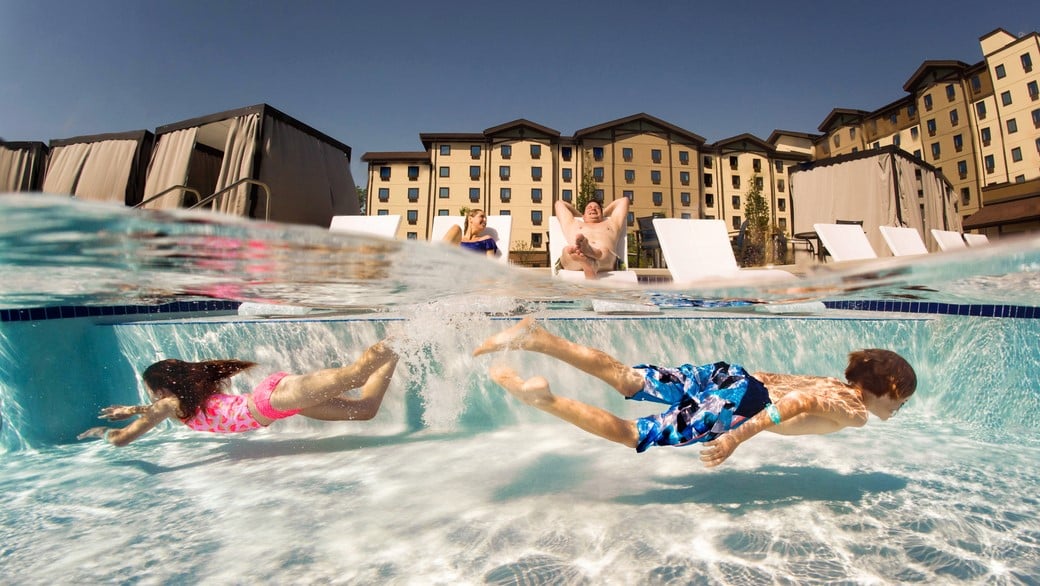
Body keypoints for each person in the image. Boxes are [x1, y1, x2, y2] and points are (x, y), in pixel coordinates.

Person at [473, 317, 916, 467]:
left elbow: (778, 382)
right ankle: (543, 400)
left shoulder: (831, 382)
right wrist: (734, 437)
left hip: (730, 376)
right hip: (741, 403)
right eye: (901, 400)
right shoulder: (852, 409)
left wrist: (726, 393)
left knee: (627, 378)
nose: (898, 409)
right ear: (890, 388)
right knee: (633, 433)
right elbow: (793, 404)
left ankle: (537, 338)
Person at [78, 340, 399, 446]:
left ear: (163, 388)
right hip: (280, 407)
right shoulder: (185, 403)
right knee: (366, 409)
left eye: (152, 391)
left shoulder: (170, 405)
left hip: (274, 399)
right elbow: (128, 432)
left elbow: (130, 434)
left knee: (355, 375)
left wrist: (124, 420)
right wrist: (110, 431)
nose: (152, 396)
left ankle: (402, 332)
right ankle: (398, 350)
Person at [554, 198, 629, 279]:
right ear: (584, 215)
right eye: (589, 208)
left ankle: (591, 254)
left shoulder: (612, 223)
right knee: (567, 251)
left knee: (605, 251)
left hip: (606, 261)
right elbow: (559, 204)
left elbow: (624, 200)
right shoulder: (573, 223)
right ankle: (589, 261)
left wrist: (604, 213)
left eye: (597, 208)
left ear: (602, 213)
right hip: (575, 260)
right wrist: (579, 215)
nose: (593, 208)